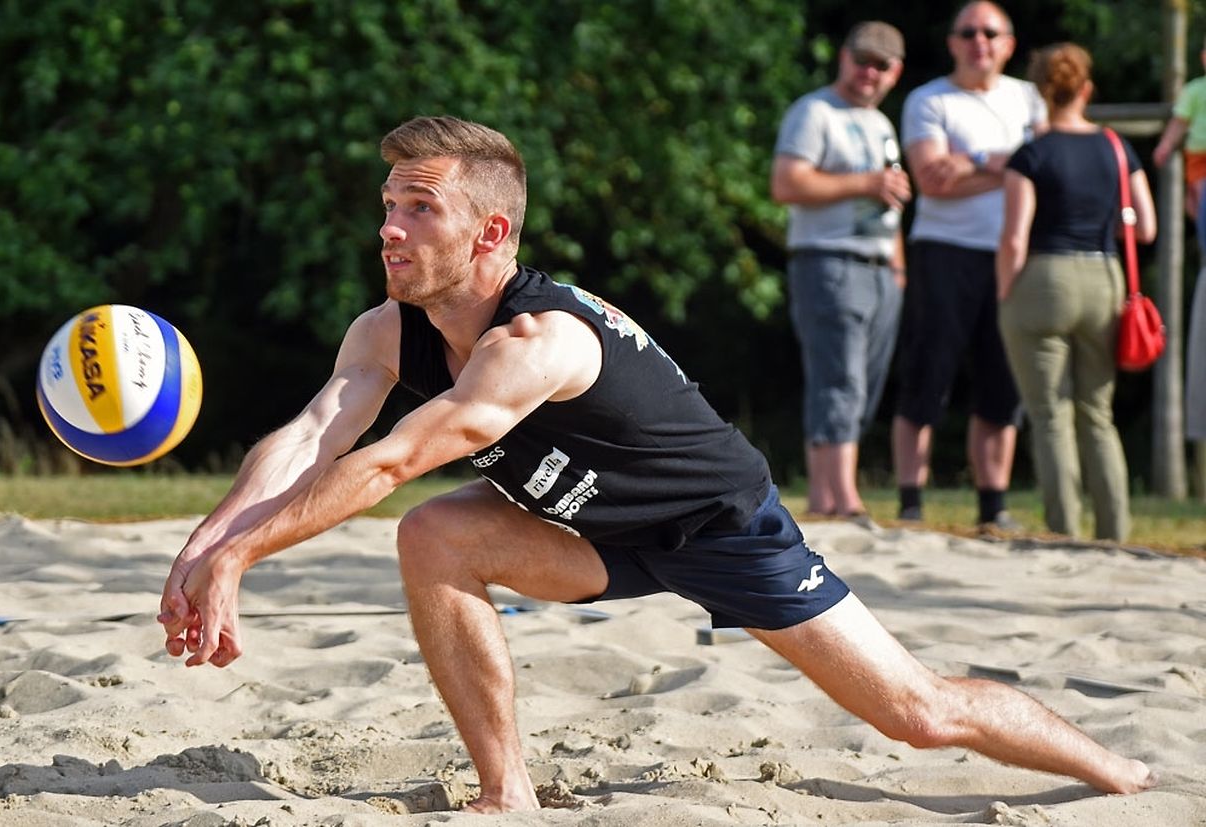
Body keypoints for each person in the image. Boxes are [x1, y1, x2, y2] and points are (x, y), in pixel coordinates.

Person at [158, 115, 1153, 813]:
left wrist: (241, 557)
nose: (389, 226)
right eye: (388, 204)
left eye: (420, 208)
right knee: (436, 536)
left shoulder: (536, 340)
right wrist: (206, 544)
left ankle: (1118, 773)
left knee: (917, 714)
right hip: (594, 531)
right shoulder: (389, 328)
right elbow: (313, 434)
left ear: (490, 232)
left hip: (721, 528)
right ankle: (508, 793)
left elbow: (390, 461)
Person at [895, 1, 1046, 528]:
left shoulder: (1029, 97)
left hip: (1012, 252)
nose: (979, 41)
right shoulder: (928, 99)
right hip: (944, 249)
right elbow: (932, 181)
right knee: (927, 372)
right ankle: (910, 502)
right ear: (952, 42)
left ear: (1009, 43)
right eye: (968, 32)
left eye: (990, 32)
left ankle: (993, 506)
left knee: (1002, 378)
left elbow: (1047, 172)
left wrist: (970, 162)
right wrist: (1009, 165)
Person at [996, 43, 1157, 540]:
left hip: (1044, 279)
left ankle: (1064, 531)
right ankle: (1115, 532)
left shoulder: (1031, 154)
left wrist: (1006, 294)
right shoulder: (1116, 147)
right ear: (1086, 89)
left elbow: (1015, 237)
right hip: (1104, 278)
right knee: (1097, 414)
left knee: (1050, 414)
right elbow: (1146, 226)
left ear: (1042, 92)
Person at [771, 21, 910, 521]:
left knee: (862, 383)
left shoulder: (881, 123)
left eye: (881, 65)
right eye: (862, 60)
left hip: (879, 266)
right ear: (843, 57)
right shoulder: (814, 112)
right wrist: (866, 183)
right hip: (829, 259)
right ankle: (843, 498)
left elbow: (889, 200)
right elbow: (787, 183)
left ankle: (827, 497)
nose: (869, 72)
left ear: (896, 73)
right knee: (840, 378)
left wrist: (897, 265)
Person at [1153, 38, 1206, 499]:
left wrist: (1165, 148)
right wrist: (1166, 147)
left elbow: (1177, 128)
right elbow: (1178, 126)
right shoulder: (1194, 90)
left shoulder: (1193, 90)